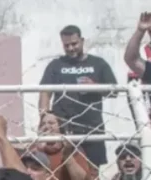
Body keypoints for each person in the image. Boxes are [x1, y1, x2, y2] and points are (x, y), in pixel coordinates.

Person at [38, 25, 117, 169]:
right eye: (66, 45)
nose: (70, 48)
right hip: (62, 130)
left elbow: (114, 91)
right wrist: (44, 118)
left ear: (82, 41)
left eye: (74, 44)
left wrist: (95, 86)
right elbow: (45, 92)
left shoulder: (98, 63)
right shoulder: (55, 65)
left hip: (92, 129)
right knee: (61, 171)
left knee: (92, 172)